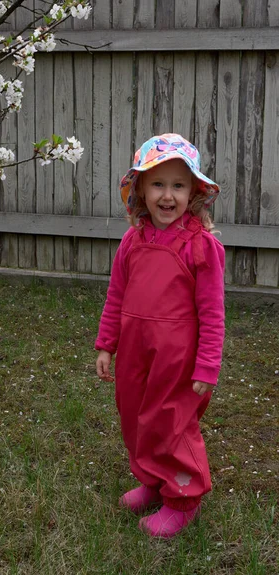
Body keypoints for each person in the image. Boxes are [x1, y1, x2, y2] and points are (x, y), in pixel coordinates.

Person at [95, 134, 225, 538]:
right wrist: (106, 343)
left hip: (178, 360)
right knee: (136, 418)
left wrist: (207, 365)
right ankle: (153, 481)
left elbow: (213, 313)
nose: (167, 196)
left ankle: (183, 499)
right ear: (140, 189)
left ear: (194, 193)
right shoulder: (133, 240)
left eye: (179, 186)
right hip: (136, 351)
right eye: (157, 184)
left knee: (171, 423)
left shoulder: (200, 247)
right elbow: (116, 295)